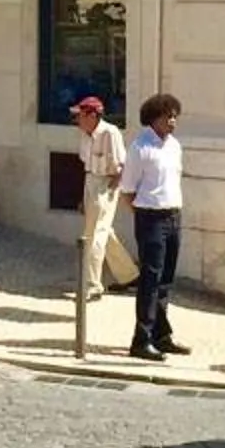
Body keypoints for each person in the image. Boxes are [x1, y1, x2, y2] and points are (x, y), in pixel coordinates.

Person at [119, 92, 188, 361]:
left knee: (166, 280)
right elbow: (127, 190)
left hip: (173, 215)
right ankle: (141, 339)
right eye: (168, 116)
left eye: (175, 116)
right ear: (154, 118)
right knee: (150, 279)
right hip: (151, 217)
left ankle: (162, 335)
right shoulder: (140, 147)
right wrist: (142, 213)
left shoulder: (174, 145)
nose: (172, 122)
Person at [71, 95, 132, 301]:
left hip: (106, 183)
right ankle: (129, 275)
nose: (77, 120)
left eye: (80, 115)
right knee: (103, 231)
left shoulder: (110, 132)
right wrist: (84, 197)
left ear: (92, 115)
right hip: (91, 181)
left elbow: (121, 166)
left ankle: (93, 285)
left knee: (96, 234)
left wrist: (110, 191)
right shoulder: (85, 135)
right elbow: (86, 167)